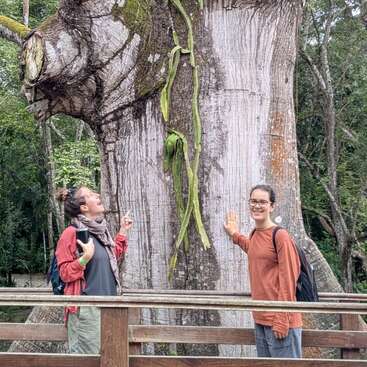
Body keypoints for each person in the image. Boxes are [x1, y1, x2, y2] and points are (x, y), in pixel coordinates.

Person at [224, 184, 302, 358]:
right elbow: (255, 251)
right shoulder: (255, 233)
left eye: (262, 202)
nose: (257, 206)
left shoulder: (280, 236)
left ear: (271, 206)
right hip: (260, 318)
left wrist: (282, 318)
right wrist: (235, 234)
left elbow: (290, 277)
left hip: (280, 321)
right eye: (253, 201)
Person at [55, 186, 133, 354]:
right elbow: (65, 273)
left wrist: (123, 231)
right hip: (87, 310)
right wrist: (84, 258)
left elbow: (109, 257)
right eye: (90, 194)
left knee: (112, 358)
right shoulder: (70, 233)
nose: (97, 195)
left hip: (111, 305)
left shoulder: (100, 232)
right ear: (84, 207)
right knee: (88, 361)